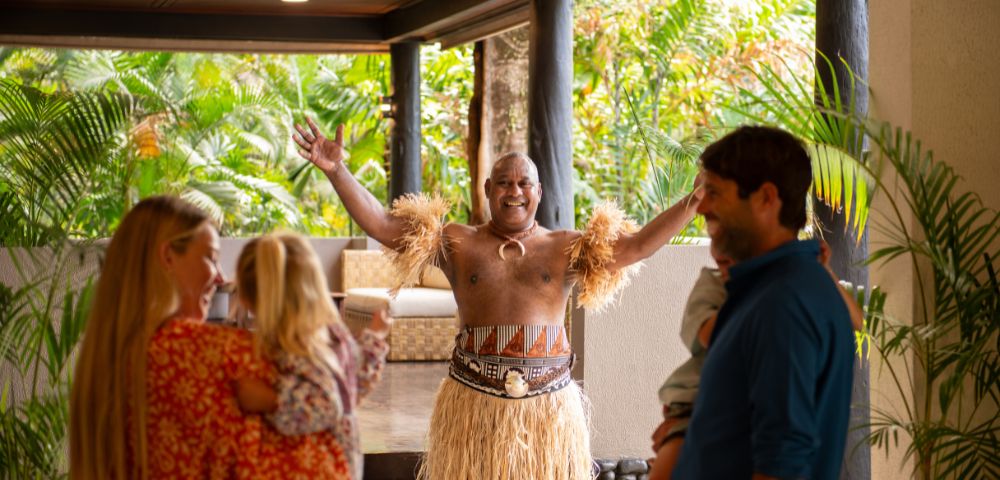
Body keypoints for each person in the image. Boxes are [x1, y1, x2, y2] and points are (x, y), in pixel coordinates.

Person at [292, 118, 704, 480]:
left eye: (524, 183)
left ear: (539, 192)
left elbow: (636, 247)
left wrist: (695, 200)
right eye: (504, 182)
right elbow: (383, 224)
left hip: (547, 410)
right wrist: (337, 170)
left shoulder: (566, 246)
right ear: (488, 189)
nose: (514, 191)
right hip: (472, 405)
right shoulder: (457, 241)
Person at [672, 126, 855, 480]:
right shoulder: (768, 290)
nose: (702, 208)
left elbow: (782, 459)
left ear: (766, 198)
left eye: (715, 193)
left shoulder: (784, 304)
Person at [70, 196, 261, 478]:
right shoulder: (197, 351)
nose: (221, 277)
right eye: (210, 257)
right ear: (168, 257)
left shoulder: (104, 358)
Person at [648, 240, 864, 480]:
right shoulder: (714, 285)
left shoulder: (782, 289)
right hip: (695, 401)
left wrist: (824, 273)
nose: (721, 249)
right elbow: (713, 335)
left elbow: (857, 320)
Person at [232, 232, 391, 480]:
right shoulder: (333, 336)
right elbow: (354, 386)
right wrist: (374, 340)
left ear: (247, 299)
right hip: (343, 463)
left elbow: (328, 405)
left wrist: (273, 401)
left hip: (314, 467)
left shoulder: (296, 347)